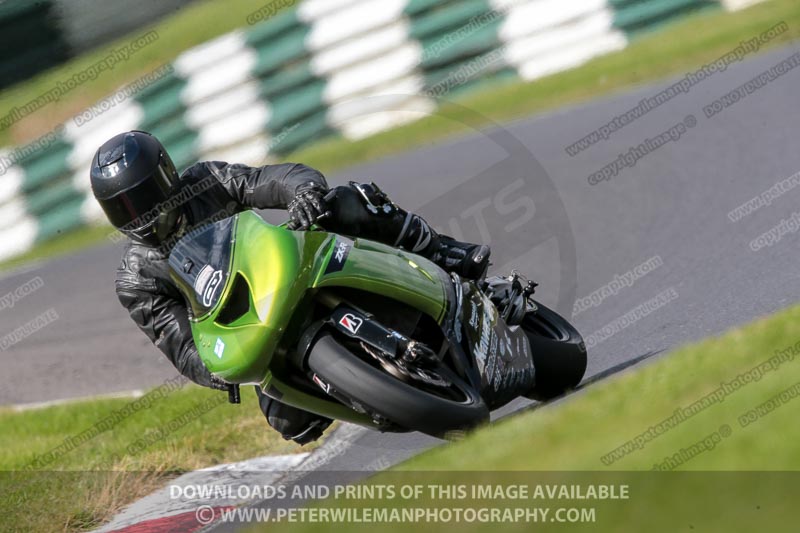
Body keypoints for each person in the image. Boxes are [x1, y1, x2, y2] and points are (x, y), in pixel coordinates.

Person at [90, 130, 490, 445]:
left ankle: (441, 251)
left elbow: (275, 179)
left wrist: (304, 195)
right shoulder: (136, 280)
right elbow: (182, 347)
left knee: (348, 202)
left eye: (142, 198)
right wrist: (218, 367)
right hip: (253, 324)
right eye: (121, 206)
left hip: (284, 265)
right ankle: (376, 391)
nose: (137, 213)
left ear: (166, 178)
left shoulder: (207, 181)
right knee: (291, 422)